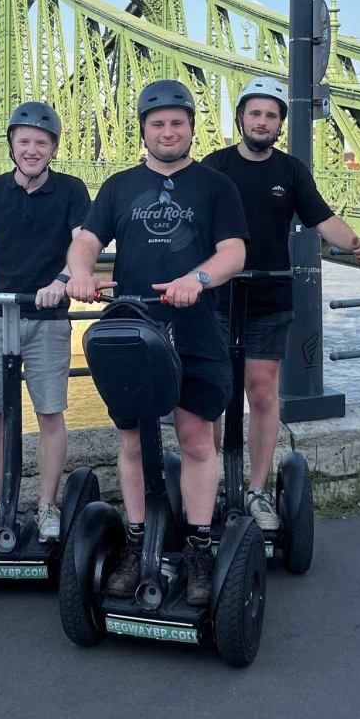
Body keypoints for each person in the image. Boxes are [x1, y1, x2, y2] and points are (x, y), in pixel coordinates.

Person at [64, 79, 247, 606]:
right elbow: (86, 242)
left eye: (177, 123)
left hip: (195, 330)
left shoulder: (215, 186)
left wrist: (199, 280)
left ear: (191, 127)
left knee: (194, 441)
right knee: (132, 442)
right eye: (157, 124)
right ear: (144, 131)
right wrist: (79, 274)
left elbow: (232, 251)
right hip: (134, 330)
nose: (168, 132)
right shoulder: (119, 186)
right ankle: (139, 540)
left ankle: (198, 549)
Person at [201, 77, 360, 532]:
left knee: (261, 391)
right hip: (217, 296)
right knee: (215, 394)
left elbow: (321, 218)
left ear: (280, 123)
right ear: (240, 118)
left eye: (271, 115)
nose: (263, 122)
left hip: (270, 293)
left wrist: (357, 243)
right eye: (255, 113)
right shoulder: (214, 167)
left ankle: (256, 490)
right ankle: (215, 484)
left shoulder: (291, 170)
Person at [0, 101, 91, 543]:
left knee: (50, 413)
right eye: (24, 141)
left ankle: (46, 505)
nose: (31, 150)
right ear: (12, 145)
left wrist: (63, 281)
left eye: (40, 143)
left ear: (53, 149)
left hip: (47, 317)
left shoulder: (71, 190)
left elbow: (82, 244)